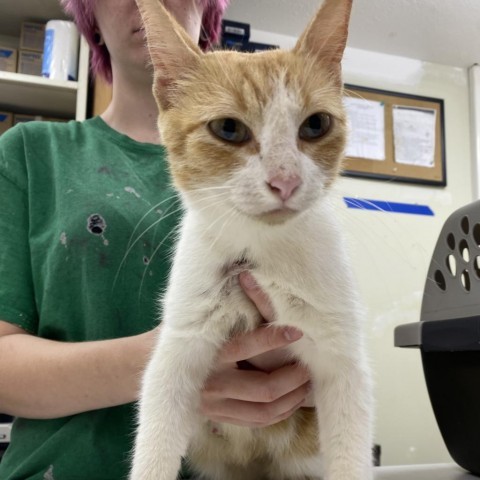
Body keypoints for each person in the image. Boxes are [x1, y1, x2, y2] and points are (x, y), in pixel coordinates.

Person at [0, 1, 311, 479]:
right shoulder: (29, 155)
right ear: (89, 17)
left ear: (207, 12)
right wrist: (179, 365)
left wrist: (298, 363)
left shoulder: (287, 178)